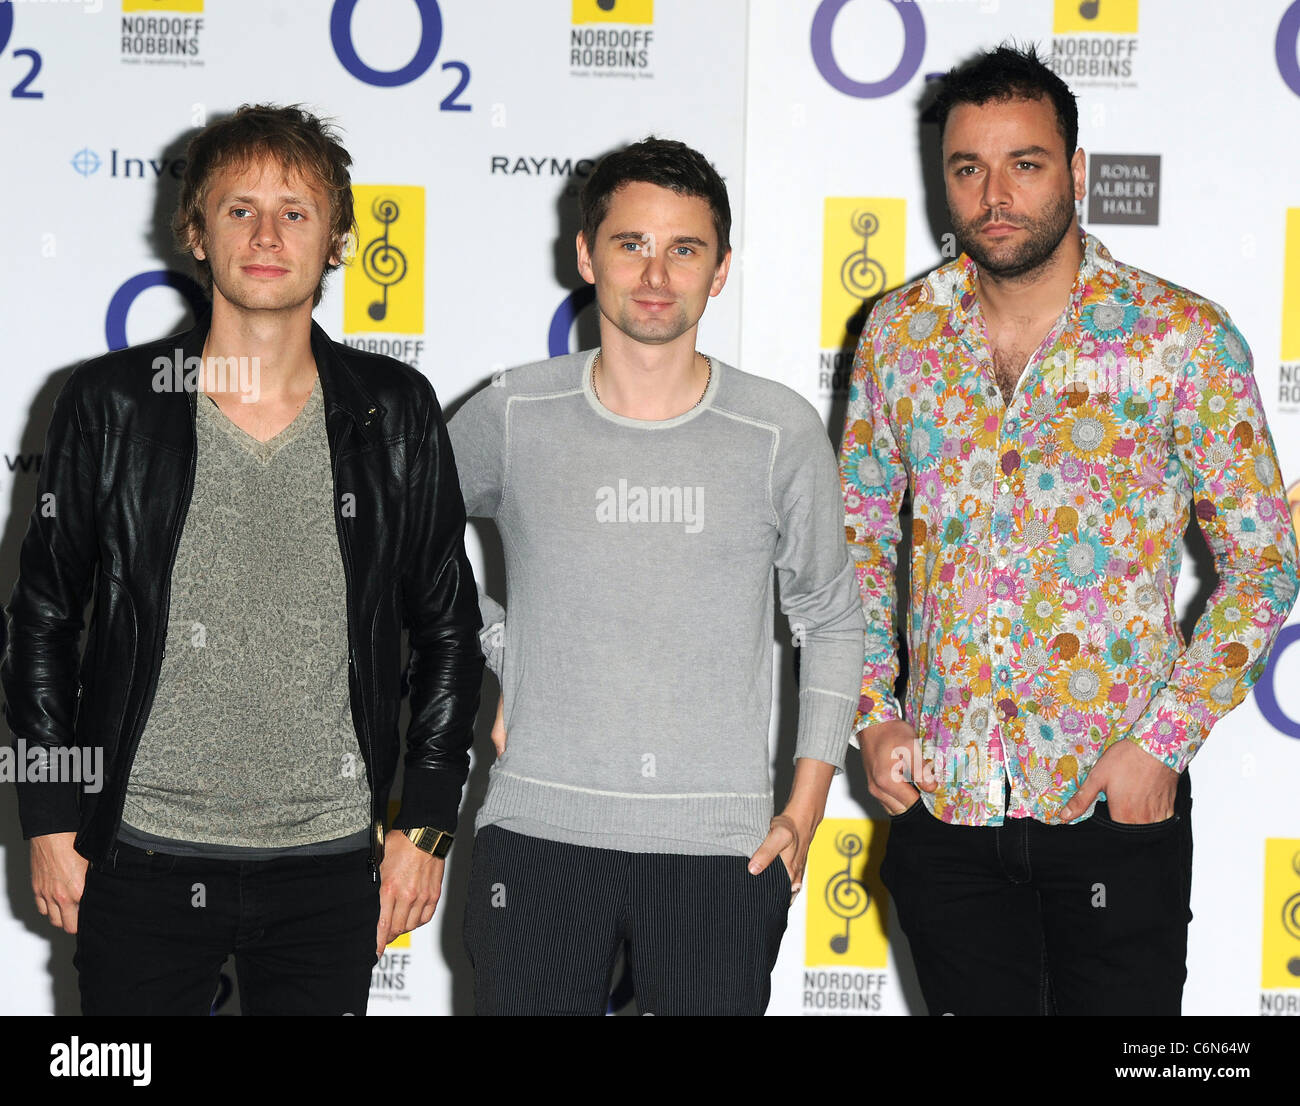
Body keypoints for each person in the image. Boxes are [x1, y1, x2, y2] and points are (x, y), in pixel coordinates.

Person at [840, 45, 1299, 1015]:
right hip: (946, 807)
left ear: (1077, 171)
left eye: (1025, 162)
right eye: (967, 167)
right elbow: (856, 546)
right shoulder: (897, 335)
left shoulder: (1179, 338)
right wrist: (872, 711)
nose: (993, 192)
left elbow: (1263, 562)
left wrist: (1160, 743)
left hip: (1109, 799)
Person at [1, 104, 483, 1015]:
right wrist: (50, 813)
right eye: (239, 209)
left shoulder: (394, 410)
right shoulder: (112, 405)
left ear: (337, 238)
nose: (267, 235)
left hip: (330, 867)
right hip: (136, 853)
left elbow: (448, 630)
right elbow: (43, 621)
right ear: (195, 230)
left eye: (296, 212)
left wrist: (423, 822)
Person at [449, 137, 864, 1016]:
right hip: (536, 833)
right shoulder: (517, 412)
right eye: (632, 242)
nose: (655, 272)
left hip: (720, 848)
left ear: (719, 272)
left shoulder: (776, 431)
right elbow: (408, 540)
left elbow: (830, 617)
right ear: (585, 253)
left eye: (685, 249)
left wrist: (806, 805)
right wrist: (499, 648)